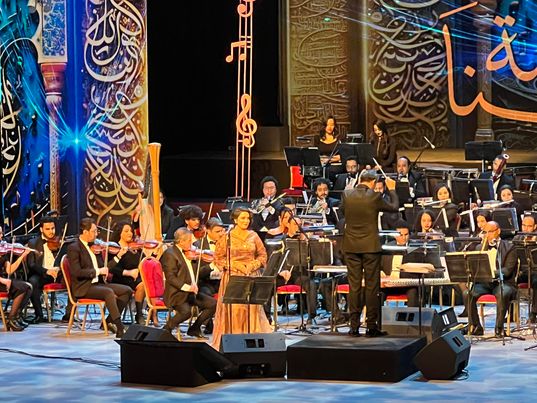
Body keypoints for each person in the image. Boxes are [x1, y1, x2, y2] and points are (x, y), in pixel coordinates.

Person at [340, 169, 399, 337]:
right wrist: (392, 189)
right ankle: (371, 327)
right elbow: (394, 207)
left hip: (351, 246)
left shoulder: (347, 194)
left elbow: (343, 212)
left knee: (354, 286)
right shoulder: (374, 196)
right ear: (373, 182)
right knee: (372, 287)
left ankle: (353, 327)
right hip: (370, 247)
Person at [211, 207, 271, 350]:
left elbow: (263, 255)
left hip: (251, 275)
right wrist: (235, 265)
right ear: (235, 220)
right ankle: (234, 342)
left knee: (251, 309)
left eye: (248, 218)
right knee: (235, 310)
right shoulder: (227, 237)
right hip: (233, 277)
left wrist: (252, 265)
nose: (246, 221)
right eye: (243, 218)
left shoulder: (254, 235)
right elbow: (218, 258)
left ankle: (251, 342)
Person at [66, 218, 131, 338]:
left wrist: (119, 256)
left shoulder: (96, 247)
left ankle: (109, 321)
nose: (96, 234)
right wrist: (97, 271)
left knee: (127, 291)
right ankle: (120, 328)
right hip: (84, 287)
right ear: (85, 232)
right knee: (108, 292)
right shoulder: (74, 248)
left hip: (97, 284)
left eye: (96, 231)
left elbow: (105, 268)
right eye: (94, 231)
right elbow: (76, 272)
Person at [160, 227, 217, 339]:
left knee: (213, 304)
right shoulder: (170, 254)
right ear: (181, 241)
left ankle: (195, 328)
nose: (192, 244)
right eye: (189, 241)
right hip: (177, 294)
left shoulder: (190, 254)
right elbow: (171, 278)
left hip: (191, 293)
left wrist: (211, 265)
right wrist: (187, 287)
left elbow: (198, 273)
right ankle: (166, 329)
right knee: (186, 312)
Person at [264, 209, 318, 324]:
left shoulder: (306, 241)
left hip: (298, 275)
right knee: (268, 284)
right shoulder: (281, 241)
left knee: (311, 284)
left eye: (299, 225)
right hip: (283, 274)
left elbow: (312, 262)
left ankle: (311, 316)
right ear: (288, 225)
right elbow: (275, 261)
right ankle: (267, 316)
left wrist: (306, 245)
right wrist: (282, 271)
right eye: (295, 224)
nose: (298, 227)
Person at [468, 221, 517, 337]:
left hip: (503, 283)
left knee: (502, 293)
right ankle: (477, 326)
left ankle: (499, 328)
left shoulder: (510, 247)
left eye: (490, 232)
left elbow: (507, 270)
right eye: (485, 232)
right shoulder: (479, 247)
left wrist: (492, 273)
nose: (487, 235)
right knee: (467, 294)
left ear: (498, 231)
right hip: (485, 284)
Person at [26, 216, 72, 323]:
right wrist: (46, 271)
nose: (51, 231)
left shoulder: (61, 242)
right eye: (47, 229)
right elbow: (31, 264)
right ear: (41, 229)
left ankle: (68, 314)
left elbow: (65, 259)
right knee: (32, 281)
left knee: (74, 279)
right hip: (42, 274)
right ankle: (39, 315)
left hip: (58, 274)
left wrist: (58, 268)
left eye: (53, 228)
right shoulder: (33, 243)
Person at [107, 221, 146, 325]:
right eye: (126, 231)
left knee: (145, 283)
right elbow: (111, 269)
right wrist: (128, 272)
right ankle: (139, 315)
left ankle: (142, 314)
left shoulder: (135, 248)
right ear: (119, 233)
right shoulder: (114, 248)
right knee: (142, 284)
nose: (130, 233)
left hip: (135, 278)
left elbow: (145, 262)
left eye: (131, 231)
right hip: (120, 278)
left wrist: (155, 253)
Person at [193, 217, 226, 334]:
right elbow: (197, 273)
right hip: (205, 282)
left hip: (223, 281)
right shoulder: (198, 246)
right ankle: (208, 323)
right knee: (206, 295)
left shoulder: (228, 244)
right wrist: (212, 266)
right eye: (217, 231)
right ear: (207, 230)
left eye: (222, 231)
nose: (221, 234)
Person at [380, 220, 420, 307]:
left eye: (406, 234)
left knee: (413, 291)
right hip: (388, 284)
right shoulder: (387, 248)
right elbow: (379, 266)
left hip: (406, 285)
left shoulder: (414, 249)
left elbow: (417, 271)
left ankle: (412, 316)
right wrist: (381, 273)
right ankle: (375, 315)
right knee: (377, 293)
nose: (404, 238)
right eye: (400, 235)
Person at [0, 226, 32, 331]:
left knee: (28, 287)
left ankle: (17, 315)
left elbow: (9, 270)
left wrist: (21, 256)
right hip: (1, 281)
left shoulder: (2, 251)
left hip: (2, 281)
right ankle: (11, 319)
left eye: (1, 233)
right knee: (22, 288)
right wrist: (3, 280)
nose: (1, 236)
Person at [514, 215, 537, 323]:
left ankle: (533, 313)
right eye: (523, 225)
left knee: (536, 281)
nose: (526, 228)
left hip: (535, 271)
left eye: (529, 226)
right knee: (508, 279)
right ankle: (511, 313)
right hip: (522, 271)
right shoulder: (517, 238)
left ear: (535, 226)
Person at [315, 116, 344, 183]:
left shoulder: (339, 138)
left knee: (330, 171)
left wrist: (331, 159)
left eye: (332, 125)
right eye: (327, 125)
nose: (330, 127)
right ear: (324, 126)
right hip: (322, 165)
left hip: (335, 165)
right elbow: (315, 154)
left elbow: (342, 155)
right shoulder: (317, 138)